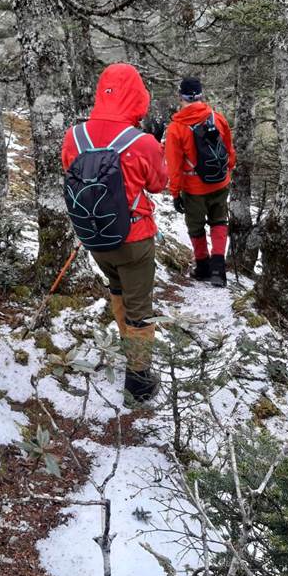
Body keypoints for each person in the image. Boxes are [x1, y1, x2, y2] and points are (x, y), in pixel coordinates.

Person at [61, 63, 168, 404]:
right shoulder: (142, 141)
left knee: (117, 290)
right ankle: (138, 382)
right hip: (134, 239)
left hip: (94, 237)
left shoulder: (74, 136)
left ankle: (128, 350)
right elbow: (159, 183)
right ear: (138, 97)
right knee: (141, 309)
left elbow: (71, 173)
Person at [164, 76, 236, 287]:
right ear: (201, 95)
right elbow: (230, 152)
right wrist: (227, 171)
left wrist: (175, 193)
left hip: (194, 187)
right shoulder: (217, 118)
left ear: (181, 96)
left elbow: (174, 167)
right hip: (220, 182)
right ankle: (218, 269)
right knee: (219, 221)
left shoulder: (176, 128)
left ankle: (203, 267)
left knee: (196, 227)